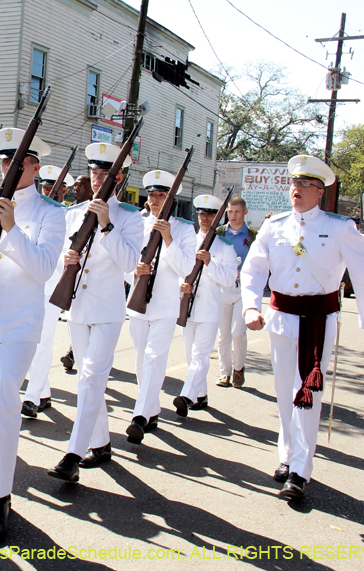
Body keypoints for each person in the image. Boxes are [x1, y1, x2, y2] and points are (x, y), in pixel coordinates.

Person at [241, 154, 364, 501]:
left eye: (306, 185)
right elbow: (253, 270)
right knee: (283, 393)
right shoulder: (274, 227)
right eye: (294, 183)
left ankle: (301, 471)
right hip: (281, 317)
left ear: (320, 192)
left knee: (308, 393)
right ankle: (287, 455)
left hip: (319, 320)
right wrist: (250, 306)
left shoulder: (339, 227)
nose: (297, 190)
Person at [0, 127, 64, 543]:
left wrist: (12, 228)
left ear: (34, 167)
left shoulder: (50, 212)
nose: (6, 168)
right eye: (3, 161)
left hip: (20, 322)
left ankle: (1, 500)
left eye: (16, 162)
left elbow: (42, 269)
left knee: (1, 400)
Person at [47, 142, 142, 483]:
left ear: (117, 179)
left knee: (89, 378)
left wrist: (106, 226)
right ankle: (101, 444)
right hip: (78, 307)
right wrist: (65, 261)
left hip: (107, 309)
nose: (98, 178)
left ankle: (74, 452)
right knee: (91, 382)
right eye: (95, 172)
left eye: (105, 174)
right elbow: (56, 257)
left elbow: (132, 264)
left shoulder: (129, 217)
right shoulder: (72, 213)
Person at [125, 169, 196, 444]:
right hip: (139, 303)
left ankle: (139, 415)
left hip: (166, 305)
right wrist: (134, 271)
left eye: (161, 195)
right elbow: (124, 262)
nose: (155, 200)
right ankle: (152, 409)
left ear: (171, 198)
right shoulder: (137, 224)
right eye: (152, 196)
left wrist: (168, 240)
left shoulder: (183, 228)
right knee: (142, 360)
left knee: (155, 358)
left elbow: (186, 268)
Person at [172, 194, 238, 418]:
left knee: (200, 356)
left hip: (209, 309)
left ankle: (186, 396)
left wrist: (209, 263)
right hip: (186, 307)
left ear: (217, 218)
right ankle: (200, 395)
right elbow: (176, 269)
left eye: (209, 214)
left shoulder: (224, 247)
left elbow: (230, 280)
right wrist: (182, 285)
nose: (204, 217)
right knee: (191, 356)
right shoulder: (187, 241)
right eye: (201, 213)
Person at [20, 163, 72, 418]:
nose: (49, 192)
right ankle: (43, 392)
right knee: (29, 339)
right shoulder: (35, 209)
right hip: (29, 283)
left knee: (43, 341)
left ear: (64, 190)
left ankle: (31, 397)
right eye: (46, 187)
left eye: (55, 188)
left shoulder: (68, 214)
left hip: (53, 286)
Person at [215, 196, 259, 388]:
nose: (233, 216)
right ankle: (224, 373)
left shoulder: (252, 235)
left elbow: (260, 261)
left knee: (238, 333)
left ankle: (238, 369)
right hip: (223, 288)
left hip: (243, 289)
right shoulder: (219, 232)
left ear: (244, 212)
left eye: (237, 212)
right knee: (223, 334)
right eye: (230, 212)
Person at [60, 175, 94, 373]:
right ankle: (74, 352)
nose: (77, 188)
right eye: (75, 185)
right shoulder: (71, 212)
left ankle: (74, 353)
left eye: (82, 185)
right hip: (75, 287)